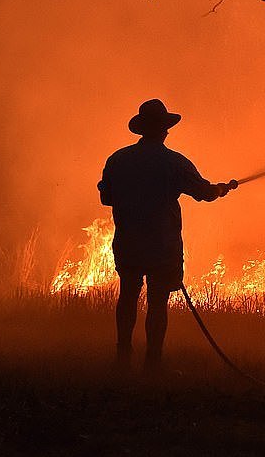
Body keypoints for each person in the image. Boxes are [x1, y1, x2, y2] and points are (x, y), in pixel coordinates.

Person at [98, 99, 237, 370]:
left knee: (127, 296)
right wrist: (220, 189)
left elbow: (106, 198)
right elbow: (204, 193)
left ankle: (122, 356)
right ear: (163, 131)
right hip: (162, 245)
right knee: (158, 302)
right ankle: (153, 361)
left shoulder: (117, 160)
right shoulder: (174, 163)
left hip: (128, 243)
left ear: (141, 130)